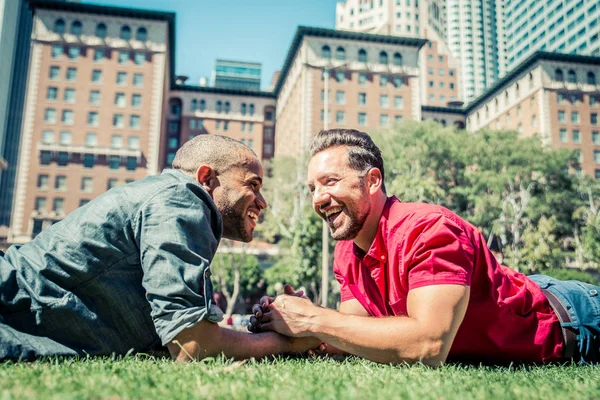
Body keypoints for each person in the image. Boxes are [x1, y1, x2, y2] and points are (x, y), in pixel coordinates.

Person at [250, 128, 600, 365]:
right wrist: (300, 328)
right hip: (528, 291)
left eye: (330, 182)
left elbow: (428, 345)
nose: (319, 198)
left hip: (575, 317)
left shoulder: (429, 229)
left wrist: (314, 318)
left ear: (372, 181)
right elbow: (355, 329)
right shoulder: (347, 247)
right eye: (312, 188)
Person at [0, 134, 317, 361]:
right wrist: (286, 343)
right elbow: (192, 345)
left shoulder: (176, 204)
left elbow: (181, 333)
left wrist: (260, 328)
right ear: (206, 177)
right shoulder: (182, 198)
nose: (262, 202)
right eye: (252, 184)